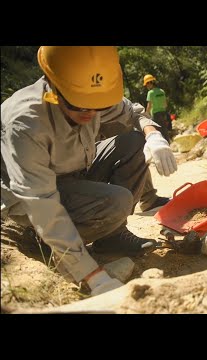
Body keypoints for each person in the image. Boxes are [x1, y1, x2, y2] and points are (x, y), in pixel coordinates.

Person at [1, 46, 178, 296]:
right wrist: (92, 275)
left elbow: (132, 112)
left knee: (133, 142)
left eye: (97, 105)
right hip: (31, 198)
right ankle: (51, 245)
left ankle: (112, 235)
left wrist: (154, 136)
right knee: (118, 201)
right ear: (54, 87)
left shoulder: (90, 92)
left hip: (73, 173)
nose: (91, 113)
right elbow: (41, 202)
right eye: (80, 106)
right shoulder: (26, 123)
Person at [143, 74, 172, 143]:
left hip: (156, 114)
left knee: (157, 131)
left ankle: (161, 146)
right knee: (164, 130)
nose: (146, 86)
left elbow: (149, 105)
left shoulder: (150, 93)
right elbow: (165, 104)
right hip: (163, 113)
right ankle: (168, 144)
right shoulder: (161, 91)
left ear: (150, 83)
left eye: (147, 84)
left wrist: (146, 114)